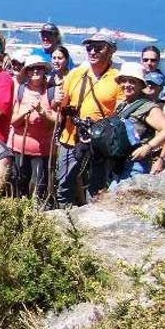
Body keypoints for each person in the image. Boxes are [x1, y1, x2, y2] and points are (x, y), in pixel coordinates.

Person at [55, 32, 122, 206]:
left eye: (98, 48)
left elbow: (119, 115)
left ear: (110, 51)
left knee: (97, 190)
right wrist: (57, 100)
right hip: (71, 138)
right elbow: (62, 106)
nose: (92, 52)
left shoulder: (117, 79)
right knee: (63, 186)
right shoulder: (76, 74)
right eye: (89, 48)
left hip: (99, 144)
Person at [8, 55, 58, 201]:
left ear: (44, 71)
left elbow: (56, 123)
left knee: (38, 186)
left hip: (42, 151)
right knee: (18, 183)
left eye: (39, 68)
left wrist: (41, 112)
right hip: (19, 148)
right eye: (31, 68)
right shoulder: (21, 91)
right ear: (27, 72)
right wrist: (24, 112)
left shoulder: (51, 92)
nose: (35, 71)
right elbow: (14, 122)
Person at [108, 62, 165, 185]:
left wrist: (148, 147)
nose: (127, 85)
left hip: (135, 165)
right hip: (120, 164)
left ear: (141, 85)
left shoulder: (148, 107)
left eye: (132, 81)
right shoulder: (122, 105)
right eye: (124, 81)